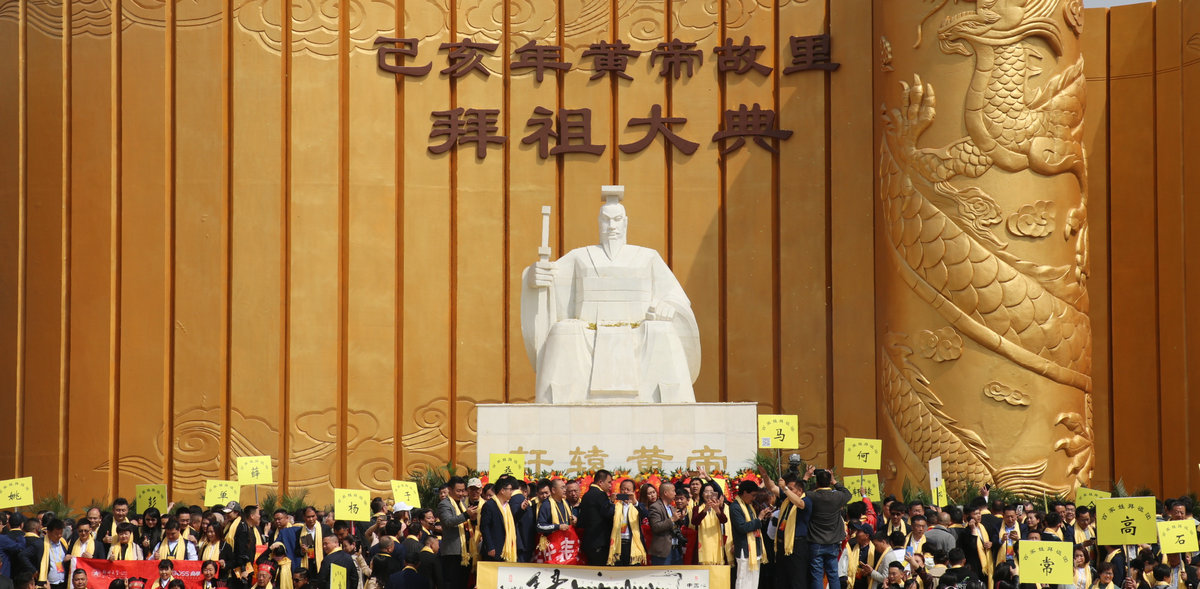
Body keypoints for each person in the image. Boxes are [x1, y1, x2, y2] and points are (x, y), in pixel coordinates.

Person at [521, 185, 701, 403]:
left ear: (626, 223)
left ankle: (674, 402)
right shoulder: (581, 256)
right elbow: (547, 285)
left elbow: (676, 296)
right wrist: (533, 276)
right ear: (599, 223)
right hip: (587, 335)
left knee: (662, 331)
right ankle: (555, 402)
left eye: (617, 220)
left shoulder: (647, 257)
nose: (611, 226)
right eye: (606, 220)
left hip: (640, 334)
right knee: (562, 333)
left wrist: (668, 305)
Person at [764, 469, 812, 589]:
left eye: (791, 489)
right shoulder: (787, 500)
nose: (788, 491)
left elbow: (799, 503)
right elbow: (772, 488)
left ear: (800, 491)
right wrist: (765, 476)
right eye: (788, 489)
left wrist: (785, 488)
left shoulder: (806, 500)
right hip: (782, 545)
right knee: (782, 578)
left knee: (797, 578)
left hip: (797, 545)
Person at [808, 469, 851, 589]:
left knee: (817, 575)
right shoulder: (837, 496)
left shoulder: (812, 496)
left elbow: (801, 493)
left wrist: (806, 478)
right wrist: (835, 482)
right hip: (833, 541)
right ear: (829, 481)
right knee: (833, 574)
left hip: (816, 541)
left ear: (817, 483)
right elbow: (848, 494)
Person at [730, 481, 772, 589]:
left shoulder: (748, 505)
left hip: (755, 547)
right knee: (743, 579)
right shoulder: (735, 507)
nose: (754, 498)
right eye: (753, 495)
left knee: (754, 579)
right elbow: (742, 527)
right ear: (744, 493)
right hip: (745, 548)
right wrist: (759, 519)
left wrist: (762, 518)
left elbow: (753, 523)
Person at [436, 476, 475, 589]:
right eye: (458, 490)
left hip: (465, 551)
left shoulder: (462, 504)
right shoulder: (445, 504)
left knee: (463, 583)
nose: (461, 493)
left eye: (463, 490)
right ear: (450, 489)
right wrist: (466, 515)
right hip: (452, 551)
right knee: (452, 583)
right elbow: (448, 522)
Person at [578, 470, 615, 566]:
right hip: (599, 542)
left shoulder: (586, 495)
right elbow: (609, 514)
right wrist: (611, 503)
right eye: (609, 482)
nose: (611, 485)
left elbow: (581, 521)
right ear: (600, 482)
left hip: (588, 541)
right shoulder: (601, 495)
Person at [607, 479, 647, 566]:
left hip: (632, 543)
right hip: (618, 544)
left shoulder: (637, 506)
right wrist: (611, 501)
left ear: (633, 491)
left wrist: (635, 502)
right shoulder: (615, 506)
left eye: (628, 489)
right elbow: (607, 515)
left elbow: (645, 514)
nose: (625, 491)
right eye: (623, 489)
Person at [535, 478, 575, 561]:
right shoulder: (546, 505)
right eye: (562, 488)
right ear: (553, 490)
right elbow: (540, 526)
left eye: (565, 487)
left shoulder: (566, 503)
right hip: (552, 545)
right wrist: (558, 527)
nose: (565, 490)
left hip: (565, 545)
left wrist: (573, 520)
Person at [479, 478, 517, 562]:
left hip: (506, 549)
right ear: (502, 491)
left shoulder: (507, 506)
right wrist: (490, 547)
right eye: (510, 489)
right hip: (493, 550)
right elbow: (484, 527)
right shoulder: (489, 505)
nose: (511, 492)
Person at [693, 482, 731, 566]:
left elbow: (724, 520)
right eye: (706, 492)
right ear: (702, 494)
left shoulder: (718, 507)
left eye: (711, 492)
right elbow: (695, 521)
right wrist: (705, 510)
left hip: (716, 542)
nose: (709, 494)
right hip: (703, 544)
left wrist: (717, 509)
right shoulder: (697, 508)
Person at [647, 482, 684, 566]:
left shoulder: (671, 507)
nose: (675, 493)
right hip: (663, 551)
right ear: (665, 493)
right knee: (662, 577)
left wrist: (680, 520)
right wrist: (672, 519)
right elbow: (656, 527)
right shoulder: (655, 507)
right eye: (673, 491)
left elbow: (674, 525)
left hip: (676, 548)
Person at [34, 519, 67, 589]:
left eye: (61, 533)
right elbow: (23, 555)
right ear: (48, 532)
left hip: (62, 583)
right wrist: (34, 570)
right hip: (48, 584)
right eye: (56, 533)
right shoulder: (40, 543)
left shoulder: (63, 543)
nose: (59, 536)